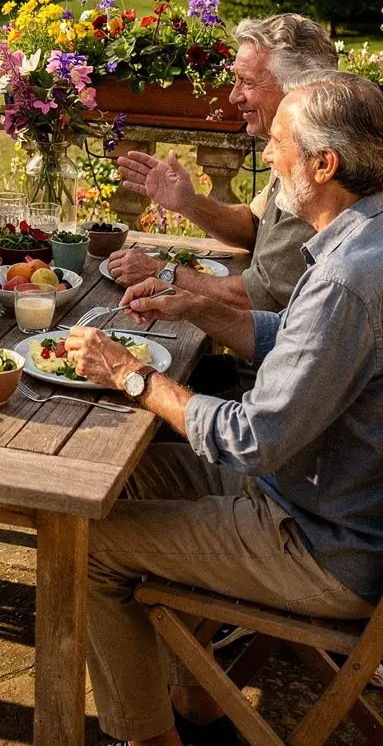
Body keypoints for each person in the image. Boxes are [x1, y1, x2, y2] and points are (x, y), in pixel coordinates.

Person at [66, 73, 383, 746]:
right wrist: (201, 307)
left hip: (322, 540)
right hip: (313, 490)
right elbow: (306, 348)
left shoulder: (345, 279)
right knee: (123, 480)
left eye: (278, 145)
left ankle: (147, 736)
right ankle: (195, 692)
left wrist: (133, 377)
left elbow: (252, 437)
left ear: (324, 164)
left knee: (83, 546)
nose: (268, 158)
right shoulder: (364, 242)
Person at [106, 15, 337, 399]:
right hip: (262, 364)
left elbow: (254, 296)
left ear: (300, 89)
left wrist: (164, 274)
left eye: (247, 82)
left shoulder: (319, 177)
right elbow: (252, 224)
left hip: (273, 385)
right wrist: (188, 203)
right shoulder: (296, 151)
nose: (233, 96)